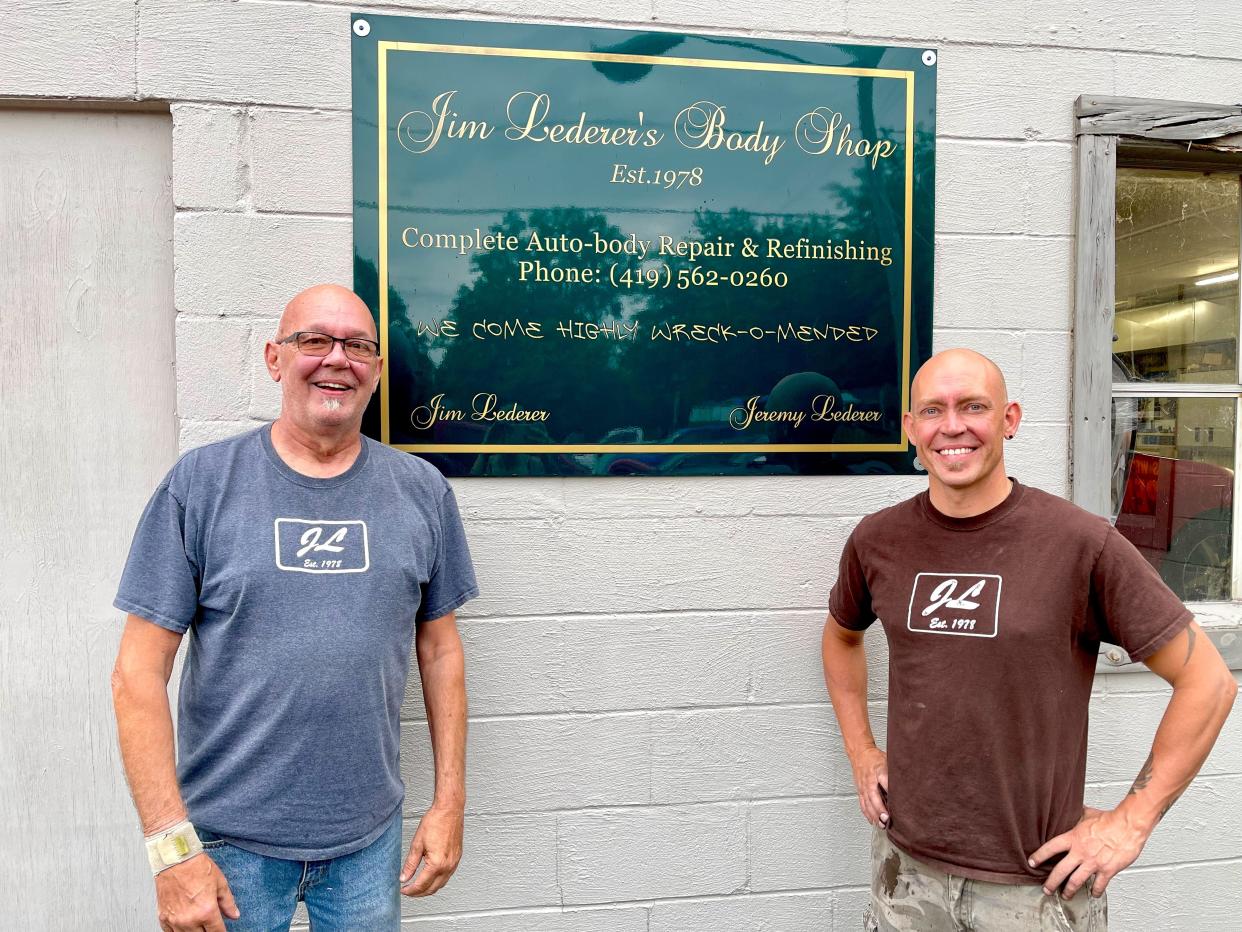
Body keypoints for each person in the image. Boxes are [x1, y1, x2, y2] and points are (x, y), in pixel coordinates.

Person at [821, 348, 1236, 931]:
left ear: (1010, 419)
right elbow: (841, 637)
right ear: (911, 429)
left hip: (1034, 890)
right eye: (933, 411)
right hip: (906, 874)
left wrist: (1129, 823)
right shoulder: (878, 540)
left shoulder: (1079, 543)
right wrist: (862, 753)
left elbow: (1209, 683)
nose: (953, 426)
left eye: (974, 406)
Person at [111, 284, 478, 932]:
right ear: (275, 359)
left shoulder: (422, 492)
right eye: (315, 340)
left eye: (358, 346)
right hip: (227, 850)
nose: (338, 358)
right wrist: (171, 853)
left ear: (377, 372)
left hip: (369, 842)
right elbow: (136, 674)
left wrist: (449, 801)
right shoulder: (201, 486)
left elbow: (441, 650)